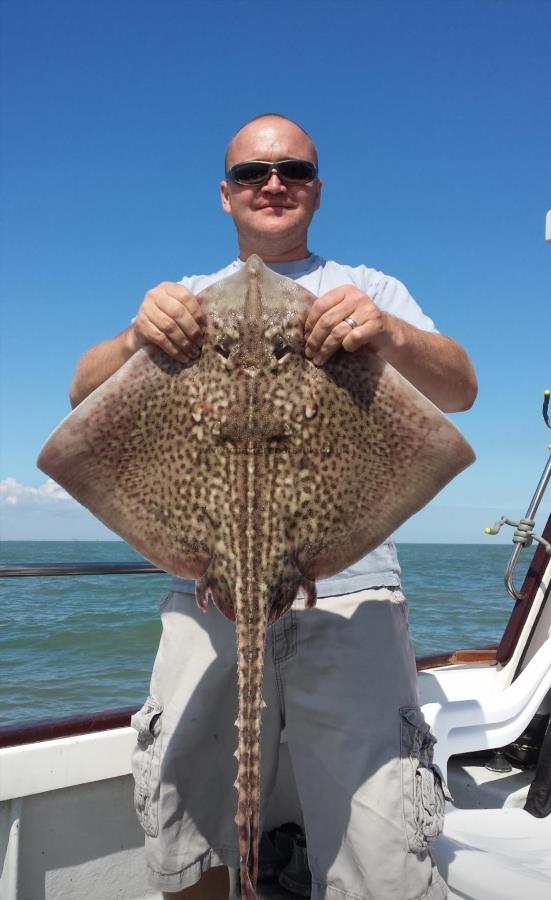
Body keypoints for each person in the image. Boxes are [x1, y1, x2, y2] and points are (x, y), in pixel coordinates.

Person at [70, 113, 477, 900]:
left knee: (379, 837)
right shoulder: (184, 298)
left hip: (349, 589)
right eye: (254, 174)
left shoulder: (371, 288)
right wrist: (133, 339)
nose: (273, 184)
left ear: (316, 191)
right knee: (186, 810)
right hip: (208, 583)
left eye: (291, 170)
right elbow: (80, 395)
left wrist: (385, 331)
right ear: (226, 196)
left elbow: (458, 388)